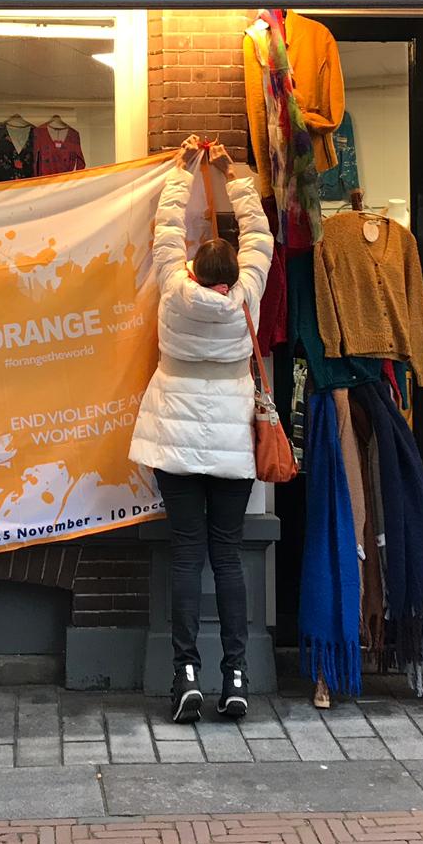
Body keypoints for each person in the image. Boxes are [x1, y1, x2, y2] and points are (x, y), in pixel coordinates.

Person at [129, 135, 274, 723]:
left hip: (175, 439)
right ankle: (236, 677)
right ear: (235, 271)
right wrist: (232, 172)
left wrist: (184, 169)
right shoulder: (249, 292)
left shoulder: (173, 287)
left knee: (186, 555)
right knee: (228, 557)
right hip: (233, 442)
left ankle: (184, 673)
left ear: (192, 266)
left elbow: (165, 229)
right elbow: (260, 232)